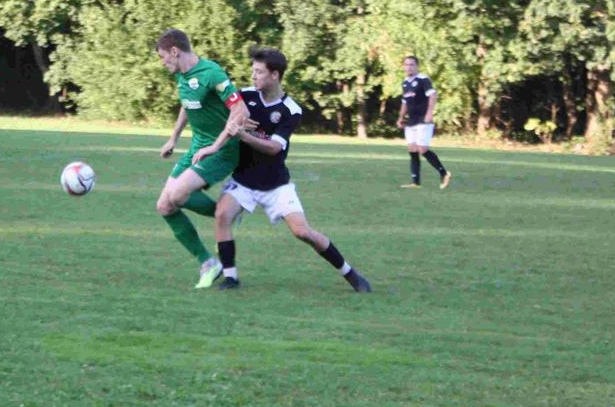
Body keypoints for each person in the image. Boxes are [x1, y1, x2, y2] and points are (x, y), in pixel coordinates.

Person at [211, 47, 372, 292]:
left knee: (302, 232)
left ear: (275, 75)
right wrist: (232, 124)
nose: (253, 76)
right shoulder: (244, 97)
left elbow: (274, 148)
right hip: (243, 180)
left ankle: (350, 274)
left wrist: (243, 134)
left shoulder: (290, 110)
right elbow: (221, 112)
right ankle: (231, 277)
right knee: (222, 215)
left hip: (276, 185)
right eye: (252, 71)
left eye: (259, 72)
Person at [155, 28, 250, 288]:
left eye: (164, 57)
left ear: (175, 51)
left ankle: (228, 213)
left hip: (222, 151)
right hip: (197, 147)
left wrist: (216, 145)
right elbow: (188, 105)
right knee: (164, 206)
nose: (163, 63)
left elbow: (239, 109)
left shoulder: (211, 73)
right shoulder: (181, 76)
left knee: (177, 195)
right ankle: (208, 262)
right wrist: (173, 138)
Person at [396, 55, 451, 189]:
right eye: (406, 64)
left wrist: (429, 113)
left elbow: (433, 95)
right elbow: (404, 102)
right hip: (412, 120)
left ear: (417, 66)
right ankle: (415, 182)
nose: (409, 67)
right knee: (412, 149)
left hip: (423, 119)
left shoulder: (423, 79)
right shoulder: (405, 82)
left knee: (422, 149)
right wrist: (400, 117)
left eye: (412, 64)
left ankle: (444, 173)